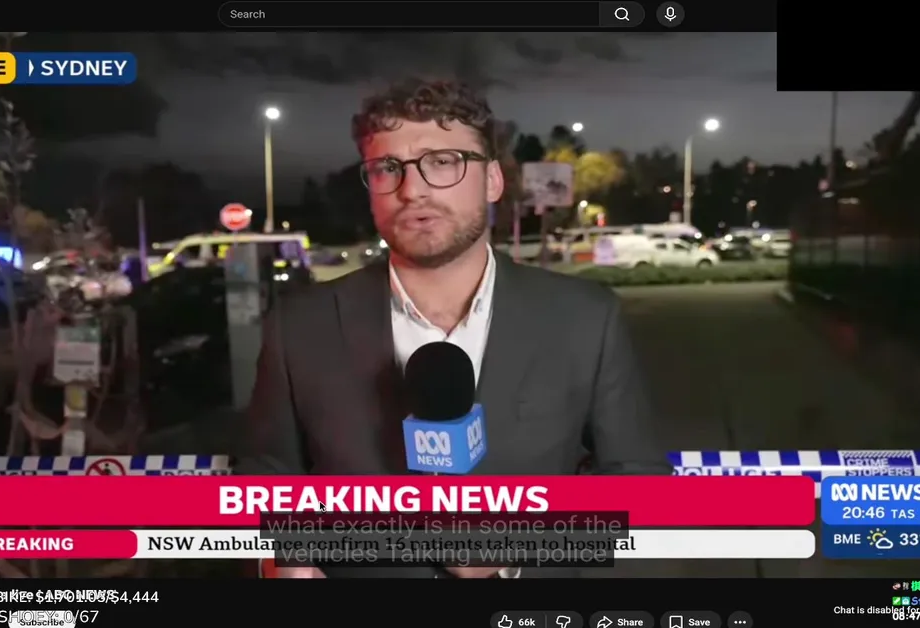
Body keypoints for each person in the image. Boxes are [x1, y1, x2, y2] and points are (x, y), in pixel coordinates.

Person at [239, 79, 669, 578]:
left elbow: (640, 487)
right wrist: (278, 558)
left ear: (492, 180)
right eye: (388, 168)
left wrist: (521, 544)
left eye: (443, 162)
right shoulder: (300, 326)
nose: (412, 189)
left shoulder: (585, 319)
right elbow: (265, 477)